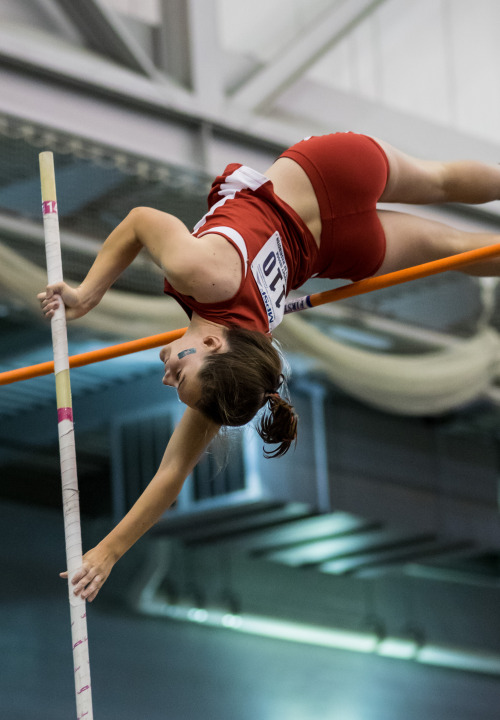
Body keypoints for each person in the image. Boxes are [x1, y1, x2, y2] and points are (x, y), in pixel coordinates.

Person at [38, 131, 500, 602]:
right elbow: (140, 220)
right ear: (213, 343)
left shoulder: (240, 368)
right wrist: (88, 293)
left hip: (334, 248)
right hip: (328, 174)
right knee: (438, 186)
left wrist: (109, 552)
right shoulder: (196, 271)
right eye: (180, 374)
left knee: (454, 244)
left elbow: (171, 474)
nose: (165, 374)